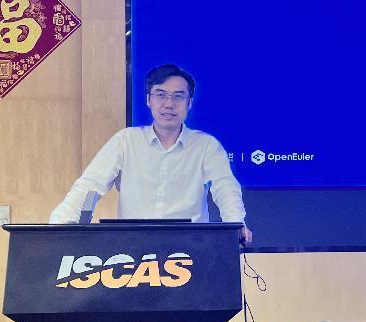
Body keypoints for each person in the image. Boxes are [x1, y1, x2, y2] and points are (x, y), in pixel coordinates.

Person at [49, 63, 252, 244]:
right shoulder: (126, 141)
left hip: (190, 248)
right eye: (161, 95)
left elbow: (225, 188)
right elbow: (91, 184)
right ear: (148, 100)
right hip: (132, 248)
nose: (169, 104)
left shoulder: (206, 145)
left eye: (178, 96)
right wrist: (57, 227)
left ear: (189, 103)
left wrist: (235, 224)